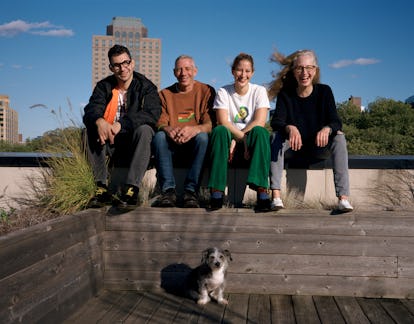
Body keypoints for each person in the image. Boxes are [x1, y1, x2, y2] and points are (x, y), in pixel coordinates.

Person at [268, 49, 353, 212]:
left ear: (316, 70)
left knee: (339, 138)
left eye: (309, 68)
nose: (304, 72)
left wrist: (327, 129)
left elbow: (336, 121)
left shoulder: (324, 92)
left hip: (318, 147)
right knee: (276, 138)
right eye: (300, 68)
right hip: (293, 148)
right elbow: (276, 122)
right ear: (294, 71)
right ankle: (276, 197)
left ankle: (343, 199)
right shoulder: (286, 94)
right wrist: (289, 127)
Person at [83, 44, 161, 210]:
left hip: (135, 146)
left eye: (125, 63)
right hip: (108, 143)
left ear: (132, 63)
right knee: (88, 129)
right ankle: (101, 187)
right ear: (111, 67)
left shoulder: (146, 87)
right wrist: (99, 121)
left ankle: (131, 189)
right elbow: (91, 109)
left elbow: (152, 114)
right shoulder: (104, 86)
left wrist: (121, 124)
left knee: (146, 129)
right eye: (117, 65)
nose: (122, 68)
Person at [208, 53, 271, 211]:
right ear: (232, 71)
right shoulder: (223, 91)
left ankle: (262, 191)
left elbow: (259, 121)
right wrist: (237, 139)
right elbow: (223, 121)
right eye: (239, 70)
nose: (243, 75)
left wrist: (240, 140)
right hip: (228, 140)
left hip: (250, 140)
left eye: (247, 71)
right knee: (220, 130)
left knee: (261, 132)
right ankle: (216, 192)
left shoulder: (259, 91)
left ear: (253, 73)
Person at [152, 55, 215, 208]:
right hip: (173, 146)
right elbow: (160, 122)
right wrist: (168, 129)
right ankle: (168, 191)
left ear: (195, 71)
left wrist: (195, 129)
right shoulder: (165, 94)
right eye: (179, 69)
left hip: (195, 146)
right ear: (174, 72)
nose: (183, 73)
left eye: (187, 69)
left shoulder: (206, 91)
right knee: (160, 137)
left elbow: (210, 124)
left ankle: (191, 191)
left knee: (203, 137)